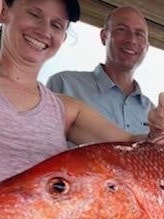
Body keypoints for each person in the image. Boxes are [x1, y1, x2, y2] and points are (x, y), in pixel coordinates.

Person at [0, 0, 164, 184]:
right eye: (34, 14)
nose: (44, 31)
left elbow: (130, 146)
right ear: (3, 11)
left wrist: (159, 132)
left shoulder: (65, 107)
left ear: (63, 38)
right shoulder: (65, 84)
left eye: (57, 25)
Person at [46, 6, 151, 135]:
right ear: (103, 36)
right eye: (122, 29)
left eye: (140, 34)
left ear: (147, 47)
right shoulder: (64, 84)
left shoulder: (152, 112)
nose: (132, 39)